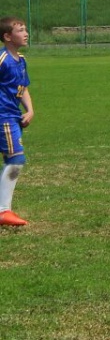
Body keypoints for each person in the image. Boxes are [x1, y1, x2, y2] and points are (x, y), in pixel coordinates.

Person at [0, 17, 34, 227]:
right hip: (3, 117)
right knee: (15, 160)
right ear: (7, 36)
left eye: (25, 29)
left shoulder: (21, 60)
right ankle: (4, 211)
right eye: (21, 30)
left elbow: (23, 88)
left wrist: (30, 109)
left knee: (12, 159)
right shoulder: (2, 59)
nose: (26, 33)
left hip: (13, 116)